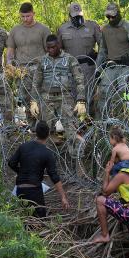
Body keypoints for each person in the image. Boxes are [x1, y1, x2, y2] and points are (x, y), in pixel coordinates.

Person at [30, 34, 86, 174]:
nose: (51, 50)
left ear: (59, 45)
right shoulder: (43, 61)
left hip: (65, 97)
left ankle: (78, 165)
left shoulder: (69, 59)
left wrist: (81, 100)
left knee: (71, 128)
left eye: (53, 47)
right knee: (44, 131)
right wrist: (33, 101)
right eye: (48, 47)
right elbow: (36, 82)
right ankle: (43, 164)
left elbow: (79, 80)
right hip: (47, 98)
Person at [8, 120, 69, 218]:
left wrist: (22, 172)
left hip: (20, 189)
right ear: (49, 134)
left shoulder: (23, 147)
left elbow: (11, 163)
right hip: (34, 190)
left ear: (35, 132)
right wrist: (63, 197)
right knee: (39, 221)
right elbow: (54, 176)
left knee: (23, 219)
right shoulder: (47, 153)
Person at [6, 2, 51, 129]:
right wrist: (10, 65)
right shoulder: (15, 30)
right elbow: (10, 49)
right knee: (25, 98)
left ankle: (42, 126)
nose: (25, 19)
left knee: (40, 97)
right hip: (22, 70)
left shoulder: (43, 29)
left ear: (33, 14)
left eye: (28, 16)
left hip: (40, 68)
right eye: (23, 16)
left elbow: (50, 50)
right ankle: (32, 126)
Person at [95, 3, 129, 120]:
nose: (110, 19)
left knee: (128, 92)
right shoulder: (105, 29)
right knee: (104, 91)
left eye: (113, 16)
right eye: (108, 17)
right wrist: (98, 69)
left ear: (119, 14)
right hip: (111, 66)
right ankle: (103, 124)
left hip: (126, 66)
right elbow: (103, 50)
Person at [57, 3, 101, 114]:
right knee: (73, 97)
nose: (78, 18)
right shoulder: (63, 29)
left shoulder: (92, 26)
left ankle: (89, 123)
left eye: (79, 15)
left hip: (88, 67)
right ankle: (76, 125)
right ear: (70, 16)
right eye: (75, 16)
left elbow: (103, 46)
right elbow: (58, 49)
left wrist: (98, 59)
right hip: (71, 67)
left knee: (89, 96)